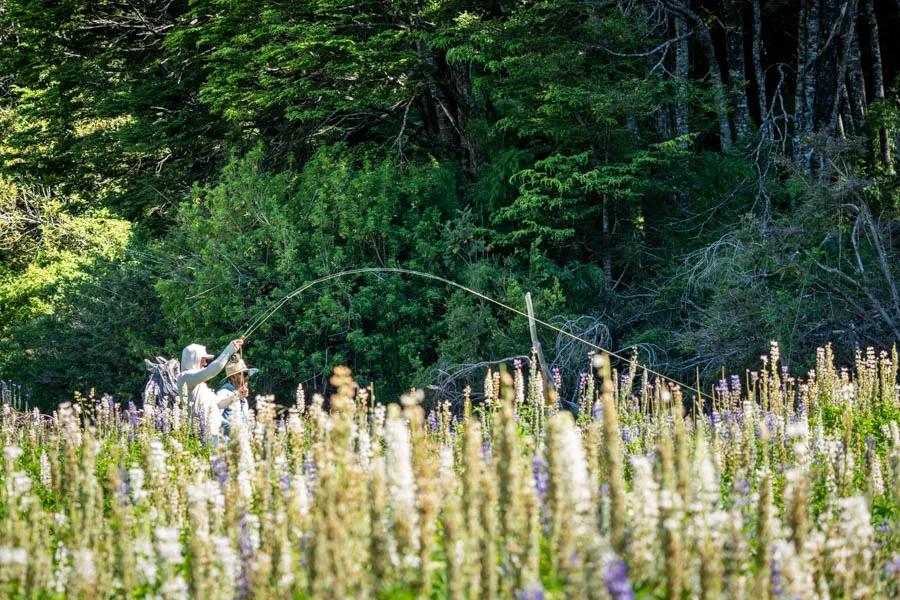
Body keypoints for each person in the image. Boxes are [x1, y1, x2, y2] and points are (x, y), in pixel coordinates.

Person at [176, 338, 243, 444]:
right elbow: (210, 371)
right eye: (203, 359)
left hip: (215, 436)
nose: (205, 363)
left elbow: (219, 404)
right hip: (202, 436)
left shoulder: (200, 385)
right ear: (193, 359)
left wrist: (237, 395)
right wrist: (229, 350)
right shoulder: (184, 378)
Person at [217, 354, 258, 439]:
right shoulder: (224, 393)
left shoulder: (243, 399)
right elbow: (214, 415)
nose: (247, 377)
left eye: (247, 374)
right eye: (245, 374)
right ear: (233, 377)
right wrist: (233, 429)